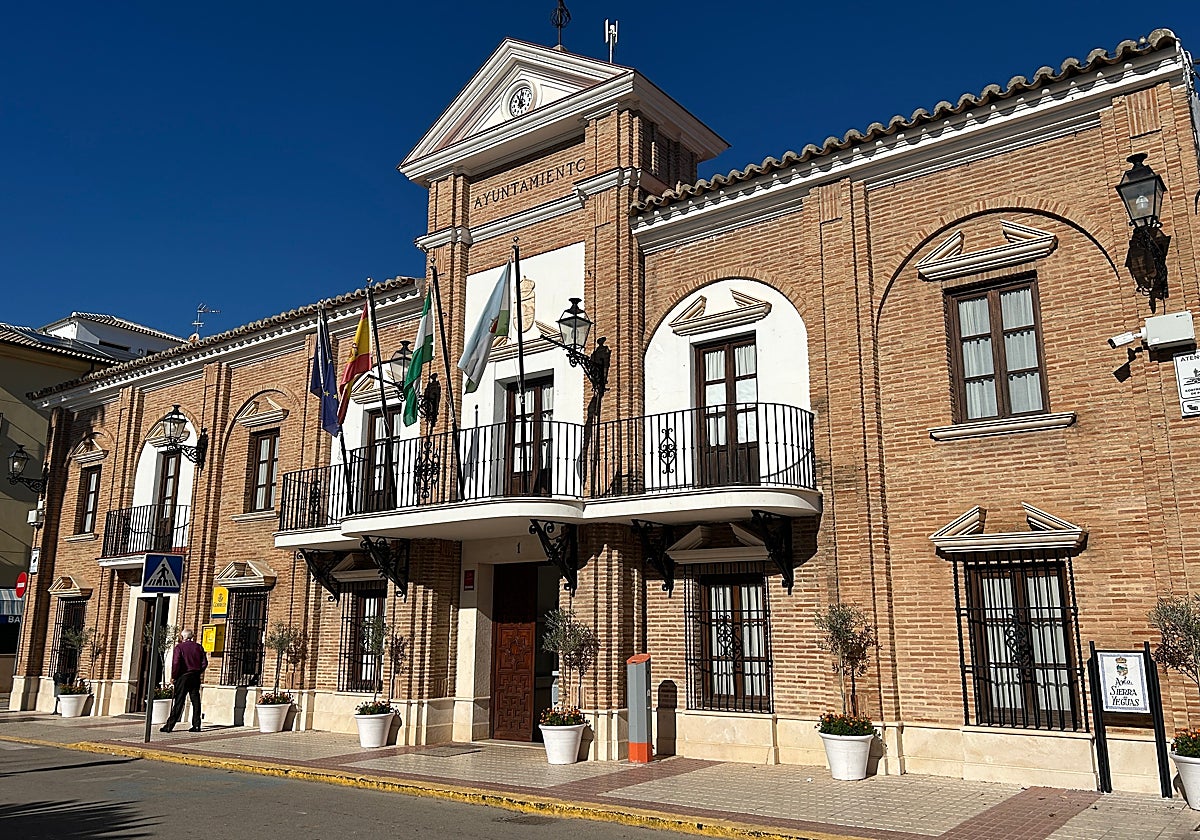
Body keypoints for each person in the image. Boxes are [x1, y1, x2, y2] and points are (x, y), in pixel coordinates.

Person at [161, 628, 207, 732]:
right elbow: (204, 662)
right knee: (196, 701)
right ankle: (196, 725)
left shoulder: (179, 647)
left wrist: (174, 676)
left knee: (179, 701)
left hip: (183, 676)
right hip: (195, 675)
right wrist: (198, 671)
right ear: (192, 637)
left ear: (182, 637)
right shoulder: (198, 647)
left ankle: (169, 726)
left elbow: (176, 663)